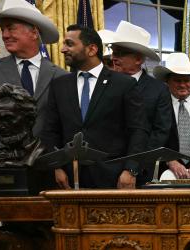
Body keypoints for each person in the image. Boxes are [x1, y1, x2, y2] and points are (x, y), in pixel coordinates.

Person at [0, 0, 66, 250]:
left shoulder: (58, 75)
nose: (4, 35)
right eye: (2, 30)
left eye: (11, 28)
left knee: (47, 231)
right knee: (14, 233)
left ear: (34, 32)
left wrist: (59, 163)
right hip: (4, 169)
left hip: (45, 168)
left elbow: (60, 125)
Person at [41, 25, 148, 189]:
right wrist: (57, 167)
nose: (62, 49)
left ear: (91, 49)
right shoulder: (59, 85)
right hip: (69, 178)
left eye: (69, 44)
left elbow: (138, 130)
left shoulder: (123, 84)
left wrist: (131, 169)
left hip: (113, 177)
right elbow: (50, 130)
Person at [102, 21, 172, 184]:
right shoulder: (103, 84)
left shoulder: (159, 89)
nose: (113, 58)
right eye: (113, 51)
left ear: (138, 59)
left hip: (140, 173)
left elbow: (160, 132)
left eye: (120, 53)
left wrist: (133, 168)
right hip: (103, 170)